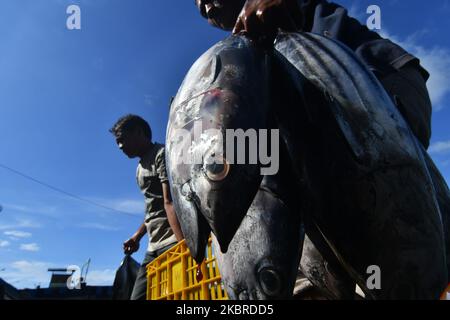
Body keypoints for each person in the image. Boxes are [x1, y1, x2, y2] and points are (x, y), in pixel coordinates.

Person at [195, 0, 433, 149]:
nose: (208, 8)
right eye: (202, 12)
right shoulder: (245, 47)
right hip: (336, 116)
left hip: (380, 77)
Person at [110, 114, 184, 300]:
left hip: (172, 242)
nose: (120, 147)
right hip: (153, 247)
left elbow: (170, 202)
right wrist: (136, 237)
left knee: (179, 296)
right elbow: (153, 209)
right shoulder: (138, 169)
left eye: (122, 140)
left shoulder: (162, 154)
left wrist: (184, 245)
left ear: (139, 132)